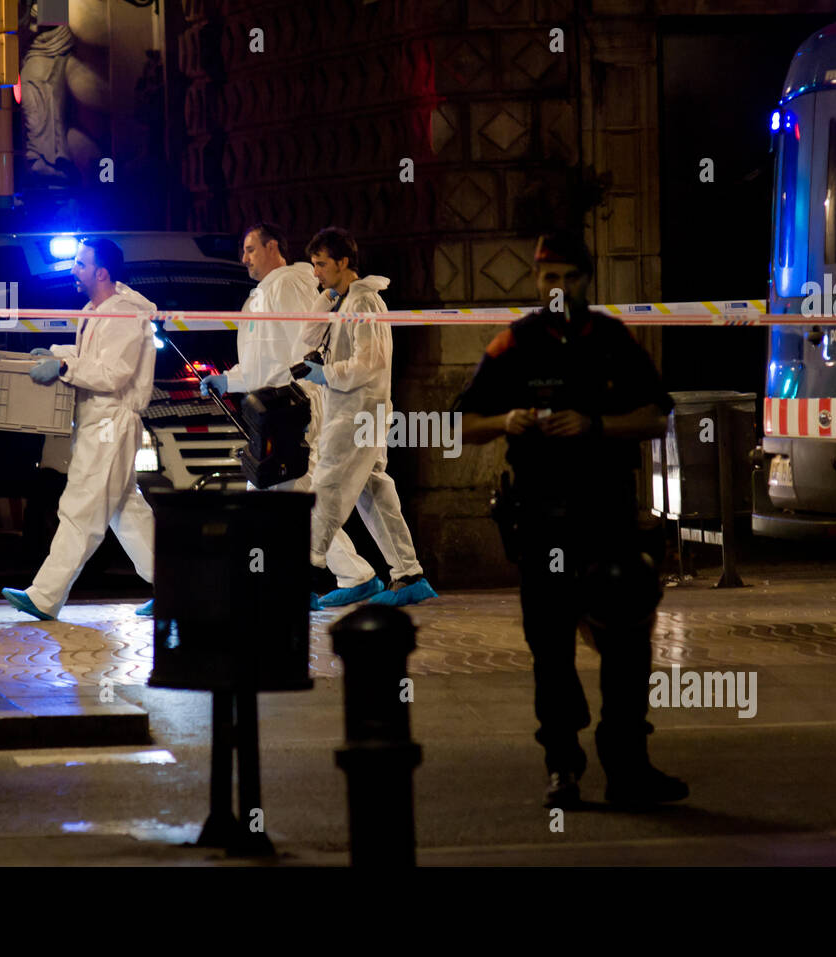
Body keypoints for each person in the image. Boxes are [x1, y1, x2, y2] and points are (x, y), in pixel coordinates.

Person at [454, 232, 688, 810]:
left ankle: (628, 766)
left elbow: (657, 417)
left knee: (627, 641)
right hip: (540, 518)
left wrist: (596, 426)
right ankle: (562, 765)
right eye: (547, 277)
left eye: (568, 277)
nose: (556, 288)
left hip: (606, 514)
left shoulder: (611, 340)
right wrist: (506, 420)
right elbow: (461, 423)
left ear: (587, 281)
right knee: (550, 646)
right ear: (536, 283)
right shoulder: (515, 344)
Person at [199, 222, 383, 608]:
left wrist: (305, 393)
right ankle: (353, 574)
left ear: (272, 248)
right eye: (243, 250)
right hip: (276, 405)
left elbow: (306, 344)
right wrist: (227, 381)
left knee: (280, 493)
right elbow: (260, 360)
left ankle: (268, 583)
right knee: (293, 492)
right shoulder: (264, 294)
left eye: (250, 249)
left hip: (289, 404)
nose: (244, 258)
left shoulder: (285, 285)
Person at [3, 237, 159, 620]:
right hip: (102, 421)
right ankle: (180, 588)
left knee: (80, 510)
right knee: (127, 512)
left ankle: (45, 595)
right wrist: (57, 354)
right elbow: (95, 359)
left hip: (109, 422)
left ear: (101, 272)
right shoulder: (97, 309)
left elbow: (113, 373)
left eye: (80, 264)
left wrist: (63, 368)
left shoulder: (120, 313)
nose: (74, 270)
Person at [298, 227, 436, 607]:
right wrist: (324, 298)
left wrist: (326, 374)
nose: (316, 272)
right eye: (313, 264)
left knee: (326, 487)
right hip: (354, 410)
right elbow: (308, 337)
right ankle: (408, 574)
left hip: (359, 412)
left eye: (322, 264)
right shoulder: (341, 300)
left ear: (344, 262)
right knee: (374, 493)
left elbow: (369, 363)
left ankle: (303, 577)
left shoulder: (364, 302)